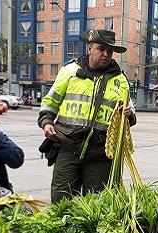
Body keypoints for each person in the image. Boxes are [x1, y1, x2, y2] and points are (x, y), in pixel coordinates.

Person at [38, 29, 136, 203]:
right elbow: (51, 102)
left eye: (109, 51)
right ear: (90, 48)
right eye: (101, 49)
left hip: (101, 155)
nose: (106, 54)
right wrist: (46, 122)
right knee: (61, 201)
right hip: (68, 147)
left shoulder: (120, 80)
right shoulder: (69, 71)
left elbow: (130, 113)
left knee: (97, 207)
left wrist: (129, 115)